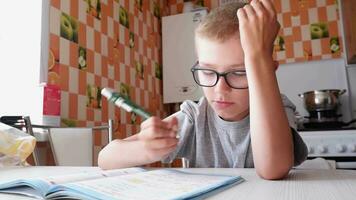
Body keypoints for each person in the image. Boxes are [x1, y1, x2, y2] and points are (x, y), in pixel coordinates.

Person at [98, 0, 308, 180]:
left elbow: (273, 168)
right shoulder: (195, 116)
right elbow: (105, 158)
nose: (220, 88)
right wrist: (144, 148)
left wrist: (258, 57)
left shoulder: (277, 107)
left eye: (239, 72)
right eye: (207, 72)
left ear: (266, 71)